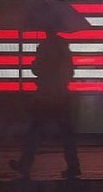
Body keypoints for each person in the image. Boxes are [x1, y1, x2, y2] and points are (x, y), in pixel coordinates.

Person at [9, 31, 81, 179]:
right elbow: (70, 71)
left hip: (46, 97)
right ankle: (73, 166)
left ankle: (25, 164)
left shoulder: (44, 47)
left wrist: (36, 64)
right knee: (66, 133)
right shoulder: (63, 46)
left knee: (34, 132)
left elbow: (38, 70)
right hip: (61, 96)